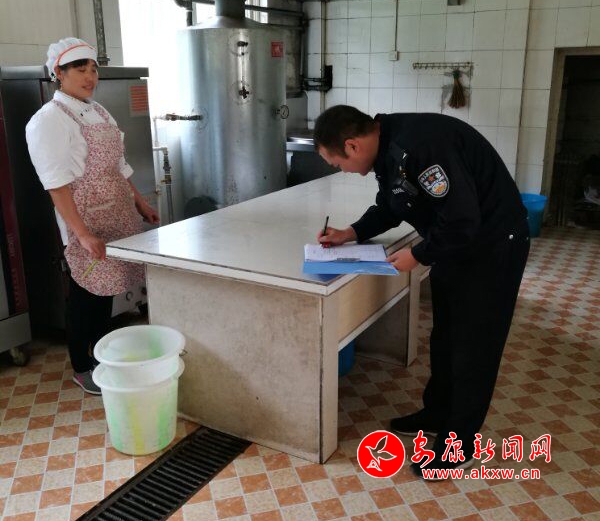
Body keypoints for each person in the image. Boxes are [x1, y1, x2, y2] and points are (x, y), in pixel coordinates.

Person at [314, 105, 530, 479]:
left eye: (337, 164)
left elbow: (462, 218)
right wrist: (351, 233)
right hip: (455, 245)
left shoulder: (423, 145)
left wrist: (418, 255)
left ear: (352, 146)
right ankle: (438, 413)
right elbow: (392, 204)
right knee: (446, 337)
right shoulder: (387, 147)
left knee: (474, 347)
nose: (342, 170)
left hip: (493, 246)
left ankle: (458, 446)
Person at [26, 38, 159, 395]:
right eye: (80, 69)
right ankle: (82, 366)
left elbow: (119, 167)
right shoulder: (49, 120)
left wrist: (140, 203)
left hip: (115, 214)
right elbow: (56, 186)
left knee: (107, 293)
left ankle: (101, 357)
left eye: (93, 69)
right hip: (84, 219)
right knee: (86, 294)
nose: (90, 77)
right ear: (59, 72)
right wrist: (82, 234)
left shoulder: (98, 111)